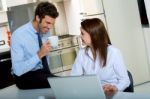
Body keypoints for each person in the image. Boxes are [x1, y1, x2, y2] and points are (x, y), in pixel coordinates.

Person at [71, 18, 130, 95]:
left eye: (82, 33)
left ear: (93, 34)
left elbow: (125, 80)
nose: (80, 36)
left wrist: (116, 88)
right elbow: (74, 78)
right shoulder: (81, 53)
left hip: (111, 95)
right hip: (92, 94)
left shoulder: (114, 53)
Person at [11, 2, 59, 89]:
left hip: (43, 74)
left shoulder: (46, 31)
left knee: (62, 83)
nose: (50, 27)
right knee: (60, 85)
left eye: (52, 24)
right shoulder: (18, 35)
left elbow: (45, 60)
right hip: (24, 76)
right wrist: (40, 54)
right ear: (37, 18)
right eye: (48, 23)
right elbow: (18, 70)